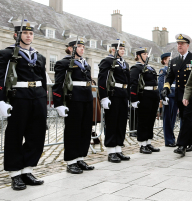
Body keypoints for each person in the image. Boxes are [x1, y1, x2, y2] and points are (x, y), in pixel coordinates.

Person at [0, 19, 46, 190]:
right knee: (15, 135)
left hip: (38, 97)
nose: (28, 36)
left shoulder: (39, 56)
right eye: (25, 33)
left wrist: (44, 100)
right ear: (16, 35)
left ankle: (27, 169)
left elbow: (42, 79)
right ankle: (15, 173)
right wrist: (1, 100)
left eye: (31, 33)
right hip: (18, 97)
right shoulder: (6, 54)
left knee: (36, 135)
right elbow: (1, 78)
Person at [53, 37, 95, 174]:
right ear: (71, 48)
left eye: (84, 47)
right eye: (80, 47)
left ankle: (80, 157)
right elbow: (58, 84)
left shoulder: (85, 64)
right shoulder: (63, 63)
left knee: (85, 129)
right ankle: (71, 161)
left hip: (87, 98)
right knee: (73, 130)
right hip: (74, 98)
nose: (83, 49)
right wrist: (58, 103)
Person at [162, 34, 192, 156]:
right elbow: (169, 77)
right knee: (184, 118)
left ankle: (181, 145)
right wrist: (166, 88)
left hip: (191, 95)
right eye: (178, 44)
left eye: (182, 44)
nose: (179, 45)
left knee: (187, 118)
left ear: (187, 45)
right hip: (179, 95)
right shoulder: (173, 61)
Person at [98, 40, 131, 163]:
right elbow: (102, 80)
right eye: (120, 49)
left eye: (123, 49)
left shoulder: (125, 64)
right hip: (113, 94)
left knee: (121, 123)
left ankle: (118, 149)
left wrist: (128, 98)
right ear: (113, 49)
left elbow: (128, 82)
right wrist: (104, 97)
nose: (122, 51)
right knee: (112, 123)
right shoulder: (107, 61)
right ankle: (111, 151)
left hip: (123, 95)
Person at [130, 48, 160, 154]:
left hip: (153, 95)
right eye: (144, 54)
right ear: (138, 55)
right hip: (144, 96)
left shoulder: (150, 68)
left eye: (147, 54)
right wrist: (133, 98)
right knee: (143, 120)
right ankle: (142, 144)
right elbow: (133, 83)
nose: (147, 55)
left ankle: (148, 142)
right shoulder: (136, 68)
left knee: (151, 120)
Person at [158, 52, 177, 147]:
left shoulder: (173, 70)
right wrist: (163, 96)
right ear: (164, 60)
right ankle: (168, 140)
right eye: (169, 58)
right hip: (168, 96)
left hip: (175, 96)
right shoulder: (163, 70)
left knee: (173, 119)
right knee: (168, 119)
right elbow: (161, 84)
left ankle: (172, 139)